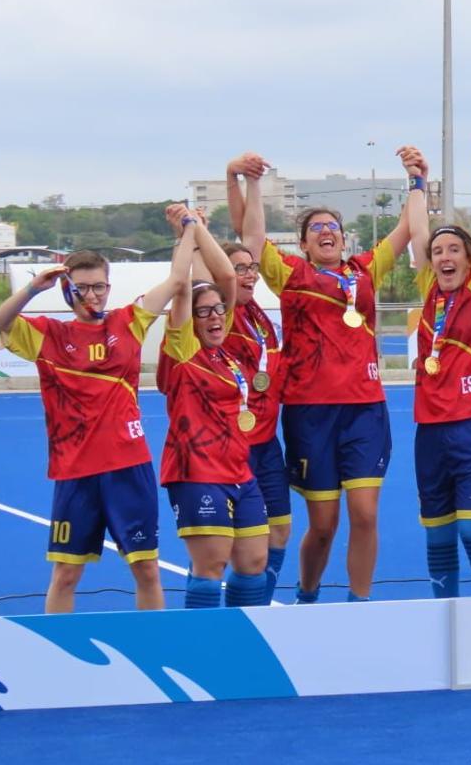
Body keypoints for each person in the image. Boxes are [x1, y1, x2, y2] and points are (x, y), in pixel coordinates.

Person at [236, 150, 416, 602]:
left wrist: (417, 179)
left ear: (344, 238)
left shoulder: (365, 270)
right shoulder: (291, 274)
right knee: (323, 524)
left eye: (333, 227)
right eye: (316, 228)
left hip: (364, 411)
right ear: (303, 244)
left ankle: (359, 605)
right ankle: (308, 594)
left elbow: (408, 228)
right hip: (310, 413)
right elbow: (252, 237)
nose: (326, 232)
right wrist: (251, 183)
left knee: (365, 513)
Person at [0, 207, 192, 612]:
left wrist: (186, 231)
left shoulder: (127, 322)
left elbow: (175, 280)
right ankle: (59, 654)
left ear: (108, 286)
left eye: (99, 286)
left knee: (147, 569)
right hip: (75, 471)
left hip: (127, 466)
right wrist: (32, 289)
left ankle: (153, 649)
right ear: (67, 288)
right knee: (65, 575)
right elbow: (1, 320)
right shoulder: (48, 334)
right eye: (82, 287)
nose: (92, 294)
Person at [178, 153, 290, 604]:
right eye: (239, 269)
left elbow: (254, 241)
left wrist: (249, 181)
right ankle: (211, 631)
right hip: (225, 451)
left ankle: (260, 614)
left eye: (252, 268)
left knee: (274, 537)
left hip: (266, 444)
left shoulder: (263, 317)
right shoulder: (223, 313)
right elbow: (230, 255)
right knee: (217, 553)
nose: (248, 273)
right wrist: (231, 180)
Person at [405, 137, 471, 597]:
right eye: (438, 251)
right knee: (439, 536)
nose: (445, 257)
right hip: (431, 431)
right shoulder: (431, 288)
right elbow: (416, 233)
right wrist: (416, 181)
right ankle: (444, 617)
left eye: (454, 251)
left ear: (470, 260)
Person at [157, 205, 269, 607]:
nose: (215, 317)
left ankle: (246, 644)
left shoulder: (231, 355)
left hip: (238, 469)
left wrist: (198, 227)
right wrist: (186, 235)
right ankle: (201, 652)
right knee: (211, 565)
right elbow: (183, 287)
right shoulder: (184, 351)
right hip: (196, 471)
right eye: (204, 313)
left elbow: (225, 278)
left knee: (255, 560)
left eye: (220, 309)